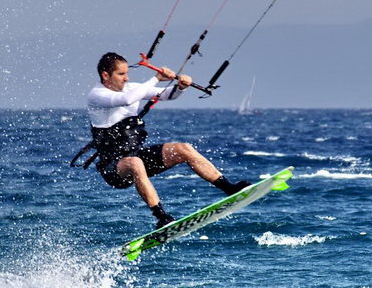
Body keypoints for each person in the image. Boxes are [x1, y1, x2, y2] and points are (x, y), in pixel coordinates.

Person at [87, 52, 250, 229]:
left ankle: (229, 188)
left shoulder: (131, 88)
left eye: (127, 73)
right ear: (105, 75)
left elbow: (166, 95)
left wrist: (180, 87)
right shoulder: (97, 95)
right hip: (113, 167)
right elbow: (127, 100)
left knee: (183, 148)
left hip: (136, 156)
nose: (126, 79)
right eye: (121, 74)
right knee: (135, 163)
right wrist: (156, 77)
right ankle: (162, 217)